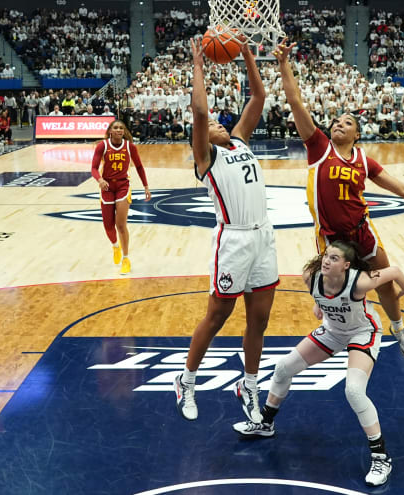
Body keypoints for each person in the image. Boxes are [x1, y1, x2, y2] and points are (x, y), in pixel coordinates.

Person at [273, 41, 404, 359]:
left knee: (385, 284)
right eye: (336, 121)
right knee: (332, 292)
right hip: (331, 237)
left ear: (357, 134)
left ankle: (398, 327)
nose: (338, 124)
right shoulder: (319, 148)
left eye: (347, 123)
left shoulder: (364, 160)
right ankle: (330, 318)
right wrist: (284, 64)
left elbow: (403, 190)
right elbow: (295, 102)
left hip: (362, 230)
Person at [233, 240, 404, 487]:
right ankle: (265, 422)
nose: (327, 260)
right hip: (333, 331)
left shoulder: (360, 281)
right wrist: (319, 305)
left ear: (346, 266)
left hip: (362, 332)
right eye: (327, 256)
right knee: (283, 367)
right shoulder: (311, 277)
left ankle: (381, 457)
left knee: (354, 391)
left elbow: (395, 271)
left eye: (335, 259)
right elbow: (323, 295)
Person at [173, 38, 279, 423]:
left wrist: (248, 52)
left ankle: (249, 385)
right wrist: (198, 62)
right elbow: (200, 112)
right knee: (217, 316)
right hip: (233, 240)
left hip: (264, 236)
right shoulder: (206, 157)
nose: (217, 122)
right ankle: (186, 380)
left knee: (260, 320)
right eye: (211, 124)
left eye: (222, 122)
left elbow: (259, 96)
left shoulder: (239, 141)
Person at [90, 120, 151, 274]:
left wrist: (146, 186)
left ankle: (126, 258)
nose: (118, 130)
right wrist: (100, 179)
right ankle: (115, 246)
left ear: (124, 131)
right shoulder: (102, 146)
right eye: (115, 127)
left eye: (121, 128)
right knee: (108, 226)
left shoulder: (130, 147)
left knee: (121, 225)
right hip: (107, 186)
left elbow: (139, 166)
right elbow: (93, 168)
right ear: (110, 131)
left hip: (123, 185)